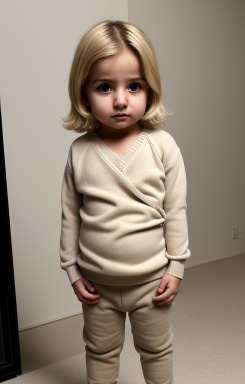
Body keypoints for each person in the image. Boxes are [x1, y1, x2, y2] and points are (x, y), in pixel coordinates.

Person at [60, 20, 191, 384]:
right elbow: (70, 216)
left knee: (157, 350)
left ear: (150, 90)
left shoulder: (162, 147)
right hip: (96, 285)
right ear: (84, 93)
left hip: (151, 281)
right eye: (105, 87)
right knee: (99, 353)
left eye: (134, 86)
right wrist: (72, 270)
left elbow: (175, 212)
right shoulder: (80, 152)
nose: (120, 99)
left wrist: (176, 266)